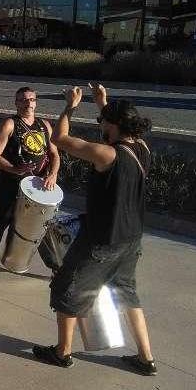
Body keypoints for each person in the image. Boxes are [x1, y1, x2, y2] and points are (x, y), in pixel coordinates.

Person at [32, 84, 157, 375]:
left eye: (103, 120)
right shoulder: (142, 147)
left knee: (66, 288)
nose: (101, 124)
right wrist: (103, 104)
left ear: (112, 125)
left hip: (103, 240)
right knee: (127, 293)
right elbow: (116, 126)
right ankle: (145, 358)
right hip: (131, 238)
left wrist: (71, 106)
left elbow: (60, 139)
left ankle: (62, 353)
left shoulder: (106, 155)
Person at [0, 87, 61, 282]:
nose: (28, 103)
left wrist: (52, 174)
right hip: (13, 184)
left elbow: (54, 154)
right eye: (23, 100)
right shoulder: (10, 124)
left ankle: (57, 267)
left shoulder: (44, 125)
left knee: (43, 226)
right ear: (16, 103)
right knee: (0, 223)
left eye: (31, 99)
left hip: (39, 186)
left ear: (36, 102)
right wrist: (14, 169)